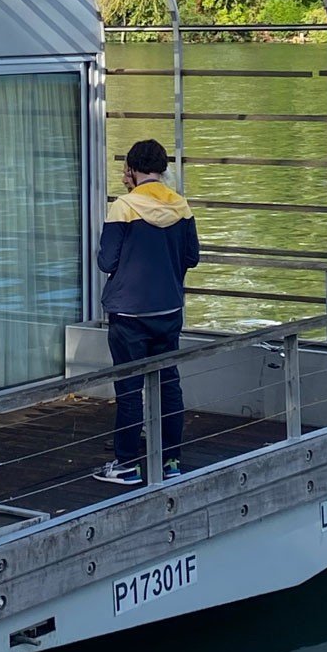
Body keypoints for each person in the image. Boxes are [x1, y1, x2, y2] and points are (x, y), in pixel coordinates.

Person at [93, 139, 199, 487]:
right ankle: (171, 461)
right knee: (169, 384)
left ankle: (126, 464)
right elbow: (191, 258)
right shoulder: (181, 206)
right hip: (168, 309)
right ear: (163, 168)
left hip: (129, 314)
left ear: (131, 170)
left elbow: (106, 261)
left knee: (129, 388)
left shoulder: (123, 206)